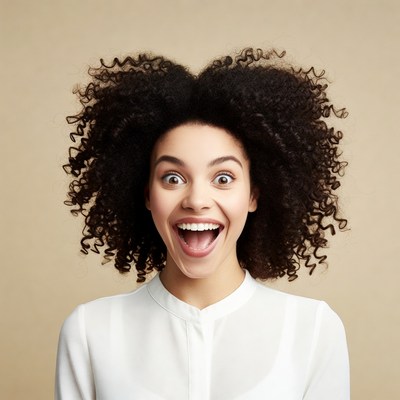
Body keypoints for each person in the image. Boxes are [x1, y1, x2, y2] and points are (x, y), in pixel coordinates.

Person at [55, 48, 350, 399]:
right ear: (147, 193)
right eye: (173, 178)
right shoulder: (89, 332)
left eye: (223, 178)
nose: (196, 200)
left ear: (254, 194)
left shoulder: (313, 330)